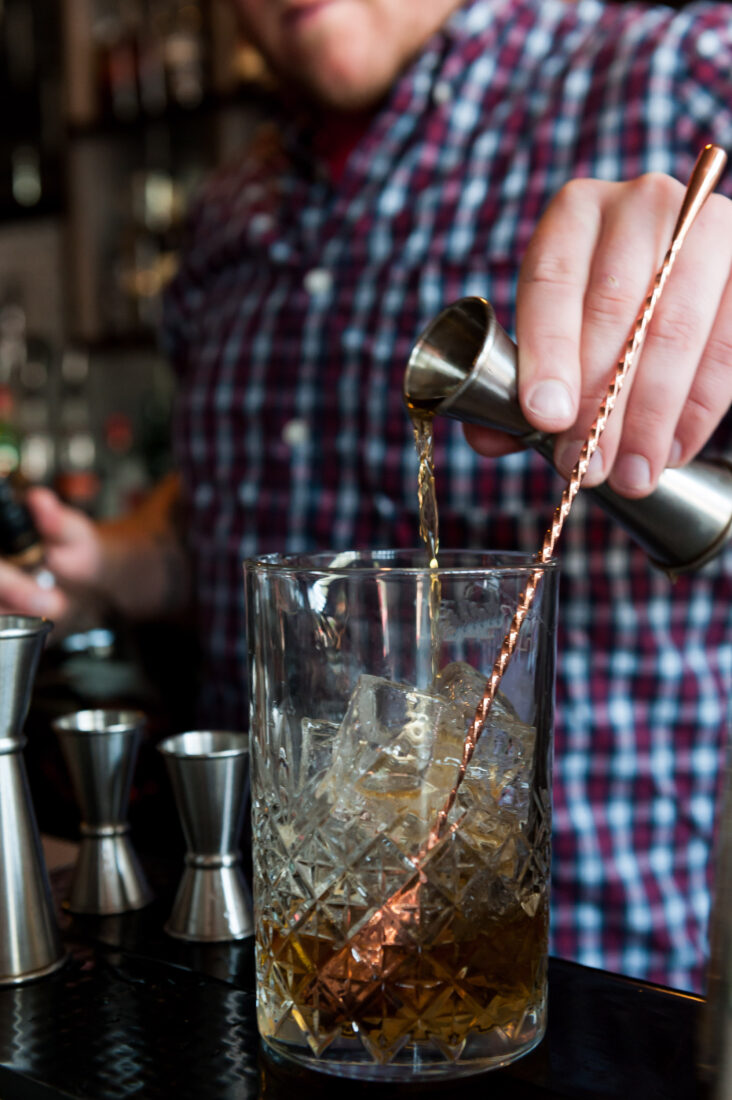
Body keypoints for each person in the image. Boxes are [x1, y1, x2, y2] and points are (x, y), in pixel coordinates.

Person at [3, 0, 731, 994]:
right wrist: (116, 564)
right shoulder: (231, 208)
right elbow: (222, 505)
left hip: (595, 980)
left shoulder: (683, 71)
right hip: (279, 961)